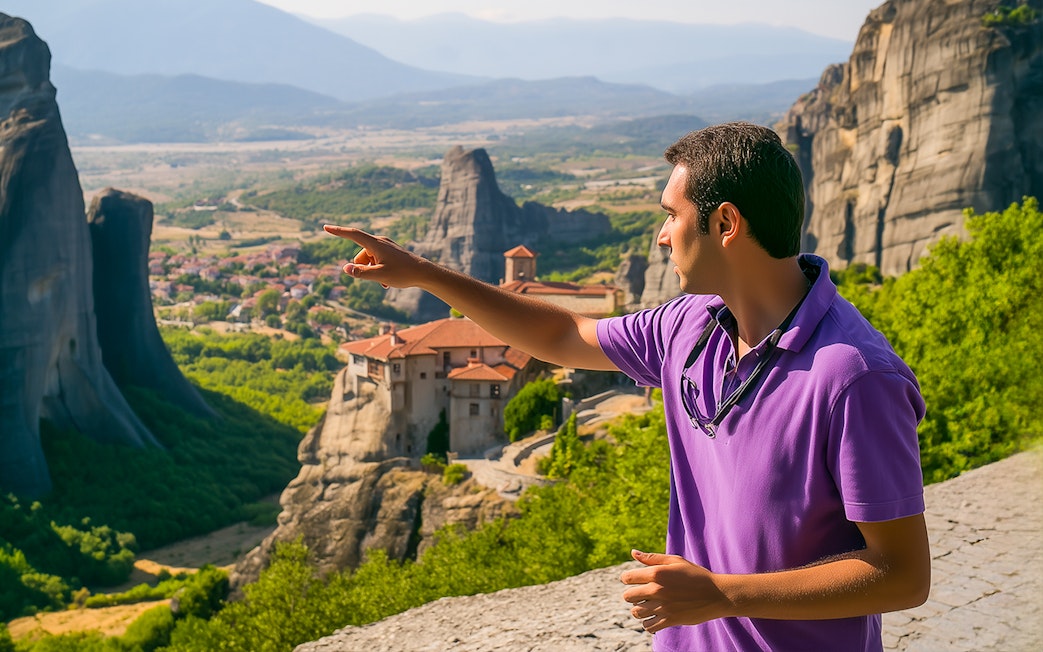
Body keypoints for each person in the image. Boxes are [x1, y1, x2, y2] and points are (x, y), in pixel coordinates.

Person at [323, 121, 930, 651]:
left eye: (671, 215)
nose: (663, 236)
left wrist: (722, 594)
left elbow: (902, 575)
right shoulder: (689, 324)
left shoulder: (853, 378)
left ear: (726, 223)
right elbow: (563, 337)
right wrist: (424, 273)